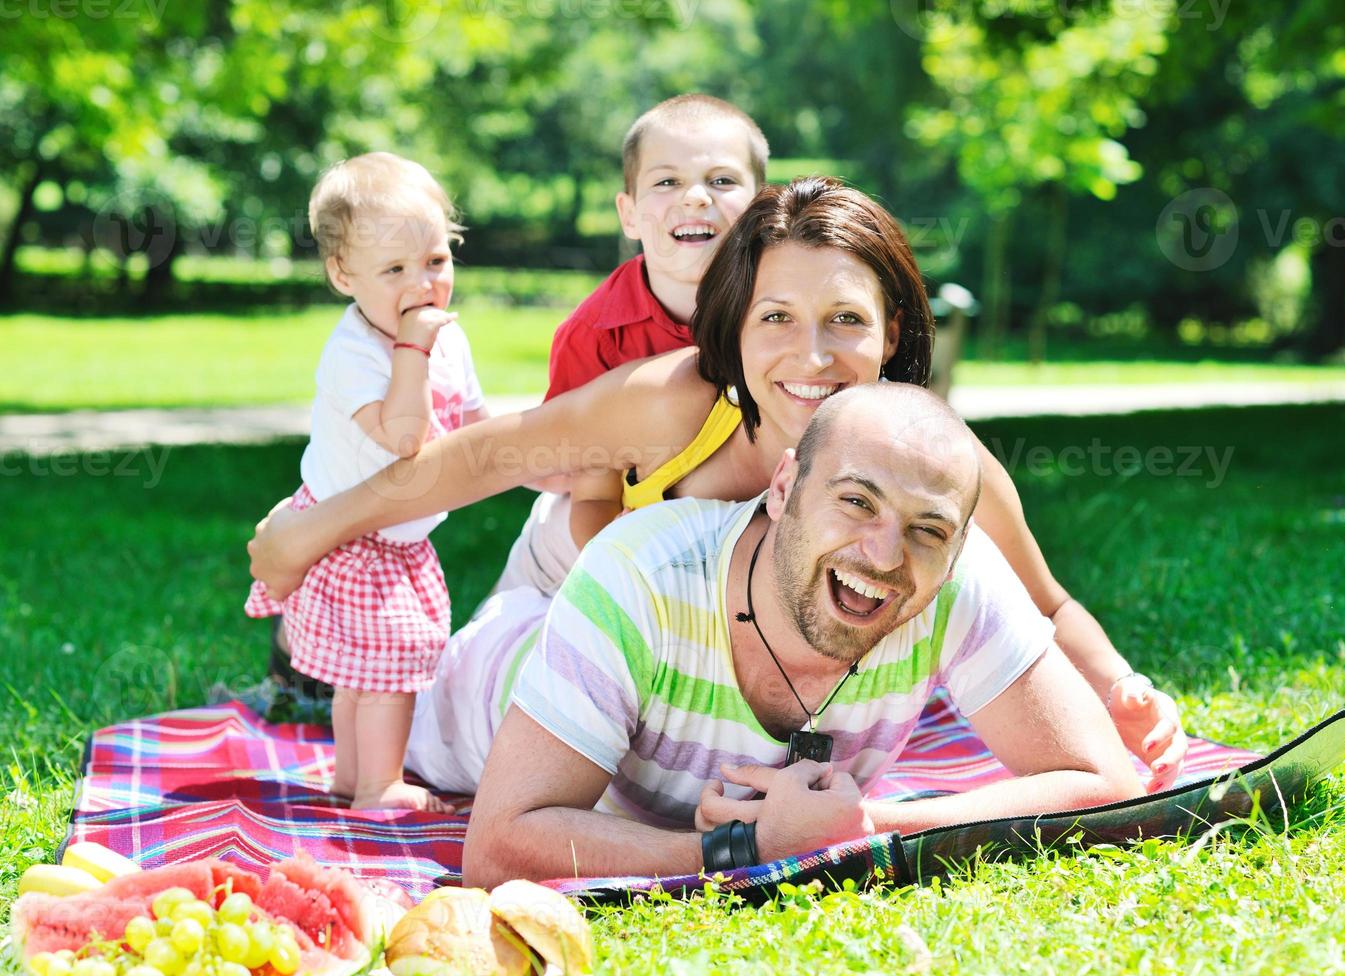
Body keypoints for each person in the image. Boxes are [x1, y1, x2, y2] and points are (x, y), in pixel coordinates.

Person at [248, 177, 1186, 792]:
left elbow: (1046, 602)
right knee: (505, 721)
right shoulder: (676, 404)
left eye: (846, 321)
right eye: (775, 316)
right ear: (735, 327)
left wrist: (1122, 690)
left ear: (895, 333)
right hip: (565, 589)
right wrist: (314, 529)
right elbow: (487, 455)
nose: (811, 357)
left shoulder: (936, 464)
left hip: (708, 681)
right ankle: (346, 687)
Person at [453, 384, 1142, 884]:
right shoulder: (639, 574)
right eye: (854, 501)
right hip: (483, 683)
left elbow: (1104, 782)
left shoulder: (957, 574)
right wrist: (743, 849)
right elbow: (499, 844)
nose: (883, 554)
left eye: (927, 530)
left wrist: (864, 831)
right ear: (781, 487)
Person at [244, 152, 487, 812]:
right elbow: (405, 437)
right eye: (394, 270)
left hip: (393, 535)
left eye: (436, 262)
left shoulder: (447, 338)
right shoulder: (354, 352)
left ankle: (351, 779)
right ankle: (379, 785)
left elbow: (474, 424)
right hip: (349, 535)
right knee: (390, 666)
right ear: (342, 275)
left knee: (366, 669)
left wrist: (547, 463)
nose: (422, 285)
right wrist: (413, 348)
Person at [496, 93, 768, 595]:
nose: (695, 197)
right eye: (667, 181)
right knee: (510, 633)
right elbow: (588, 489)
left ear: (762, 206)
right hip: (594, 536)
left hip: (735, 528)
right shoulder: (596, 334)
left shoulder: (782, 310)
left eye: (722, 180)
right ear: (629, 214)